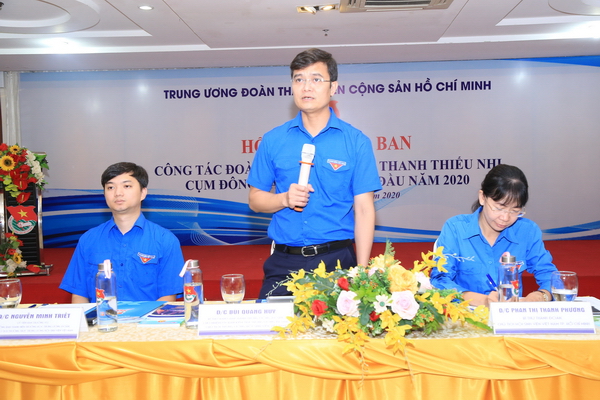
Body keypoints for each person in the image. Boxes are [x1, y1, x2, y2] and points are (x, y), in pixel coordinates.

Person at [248, 48, 381, 298]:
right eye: (299, 79)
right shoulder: (273, 140)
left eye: (316, 79)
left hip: (338, 262)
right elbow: (255, 200)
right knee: (270, 322)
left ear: (333, 87)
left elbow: (364, 209)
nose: (306, 87)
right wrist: (284, 199)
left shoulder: (356, 142)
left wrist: (362, 272)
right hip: (284, 262)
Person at [430, 164, 557, 306]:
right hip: (465, 312)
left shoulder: (527, 231)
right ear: (482, 197)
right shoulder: (456, 229)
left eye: (515, 211)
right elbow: (440, 280)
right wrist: (482, 300)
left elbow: (549, 274)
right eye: (499, 208)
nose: (505, 218)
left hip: (510, 315)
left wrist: (541, 295)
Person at [60, 162, 184, 303]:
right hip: (101, 317)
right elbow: (79, 294)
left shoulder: (165, 240)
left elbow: (168, 297)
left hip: (149, 317)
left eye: (127, 186)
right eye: (110, 187)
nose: (118, 193)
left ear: (143, 193)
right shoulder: (88, 239)